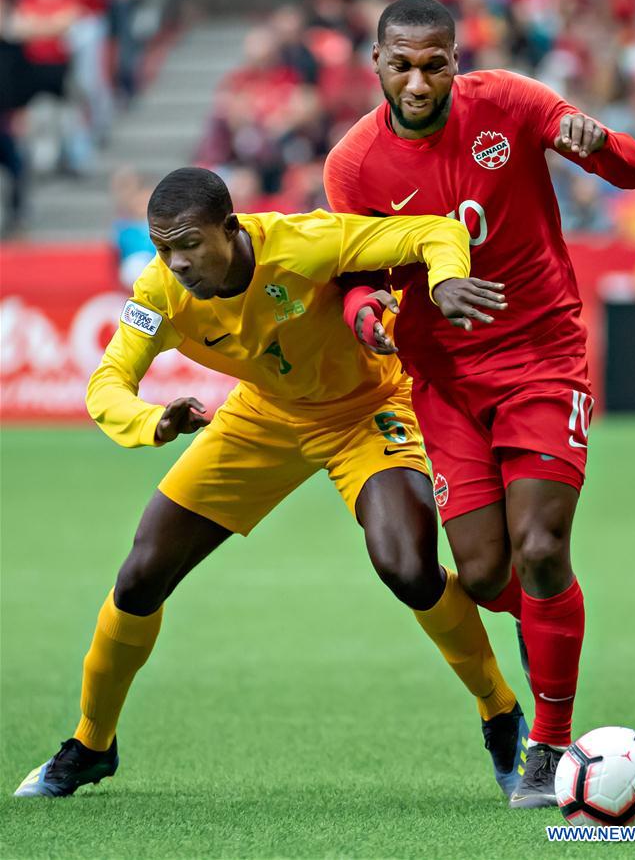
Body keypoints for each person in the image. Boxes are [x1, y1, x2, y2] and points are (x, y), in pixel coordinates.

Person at [14, 166, 527, 799]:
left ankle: (500, 713)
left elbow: (431, 233)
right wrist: (153, 420)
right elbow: (106, 385)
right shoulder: (158, 294)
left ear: (229, 229)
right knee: (140, 575)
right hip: (264, 417)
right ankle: (92, 742)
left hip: (365, 411)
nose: (174, 262)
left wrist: (447, 278)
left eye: (188, 244)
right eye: (162, 248)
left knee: (407, 567)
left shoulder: (304, 242)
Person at [324, 0, 635, 809]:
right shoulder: (354, 164)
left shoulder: (511, 102)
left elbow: (633, 170)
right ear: (377, 65)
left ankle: (548, 745)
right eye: (402, 63)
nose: (419, 79)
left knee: (540, 546)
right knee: (483, 569)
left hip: (541, 355)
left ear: (456, 60)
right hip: (443, 383)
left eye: (435, 62)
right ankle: (548, 617)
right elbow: (354, 276)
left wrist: (596, 141)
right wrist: (367, 314)